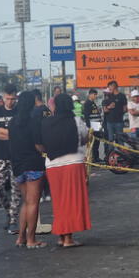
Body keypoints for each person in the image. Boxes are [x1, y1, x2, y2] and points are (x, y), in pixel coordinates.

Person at [40, 94, 91, 248]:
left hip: (52, 165)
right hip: (73, 163)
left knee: (59, 202)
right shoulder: (76, 121)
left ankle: (63, 236)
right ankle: (68, 239)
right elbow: (85, 138)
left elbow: (41, 144)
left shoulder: (46, 122)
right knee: (71, 202)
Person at [9, 92, 47, 248]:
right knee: (33, 203)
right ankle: (31, 240)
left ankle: (21, 238)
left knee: (25, 203)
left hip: (18, 164)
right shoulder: (34, 121)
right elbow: (39, 145)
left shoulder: (12, 122)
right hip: (33, 163)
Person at [0, 84, 20, 234]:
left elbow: (21, 134)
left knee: (16, 189)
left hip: (16, 156)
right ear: (3, 98)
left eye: (12, 99)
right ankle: (9, 211)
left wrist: (2, 131)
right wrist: (12, 134)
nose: (10, 102)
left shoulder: (19, 111)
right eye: (7, 99)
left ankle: (14, 220)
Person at [82, 88, 103, 162]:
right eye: (94, 94)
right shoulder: (87, 103)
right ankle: (94, 159)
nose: (95, 96)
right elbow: (86, 117)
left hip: (97, 126)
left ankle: (96, 158)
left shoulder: (93, 103)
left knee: (96, 144)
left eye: (96, 94)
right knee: (93, 144)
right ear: (90, 95)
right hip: (92, 127)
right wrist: (89, 127)